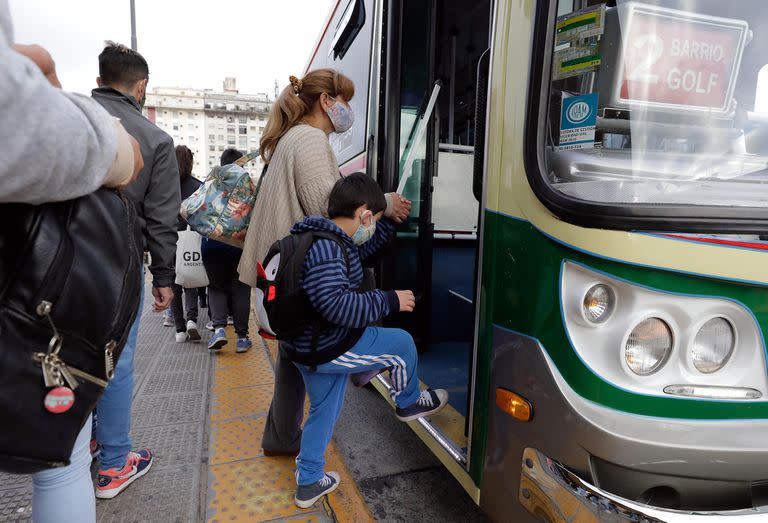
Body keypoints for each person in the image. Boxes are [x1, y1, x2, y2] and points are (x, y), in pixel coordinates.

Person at [1, 4, 143, 521]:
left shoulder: (78, 101)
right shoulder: (143, 135)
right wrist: (114, 150)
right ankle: (114, 459)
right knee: (60, 460)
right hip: (78, 286)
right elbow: (19, 126)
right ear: (141, 86)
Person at [238, 69, 411, 456]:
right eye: (344, 100)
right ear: (326, 102)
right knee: (307, 352)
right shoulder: (311, 141)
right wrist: (384, 204)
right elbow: (334, 216)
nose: (347, 109)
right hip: (293, 278)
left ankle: (281, 438)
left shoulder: (292, 138)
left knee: (292, 358)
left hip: (279, 273)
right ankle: (362, 364)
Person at [288, 173, 448, 508]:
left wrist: (388, 220)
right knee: (401, 344)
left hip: (307, 345)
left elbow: (364, 250)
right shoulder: (328, 248)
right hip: (328, 344)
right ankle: (408, 402)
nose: (372, 225)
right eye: (374, 218)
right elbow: (336, 305)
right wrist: (390, 300)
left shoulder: (325, 238)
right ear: (363, 214)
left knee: (323, 410)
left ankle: (309, 482)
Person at [91, 41, 181, 499]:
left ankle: (84, 437)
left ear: (101, 76)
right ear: (141, 86)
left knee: (69, 351)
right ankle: (113, 463)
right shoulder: (154, 139)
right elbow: (163, 218)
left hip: (57, 264)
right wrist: (163, 278)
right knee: (116, 361)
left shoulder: (73, 117)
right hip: (120, 263)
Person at [204, 148, 253, 353]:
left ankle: (219, 330)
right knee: (240, 289)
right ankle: (242, 338)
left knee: (216, 287)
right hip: (238, 246)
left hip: (211, 244)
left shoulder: (211, 181)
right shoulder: (248, 185)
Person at [171, 145, 203, 343]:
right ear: (190, 163)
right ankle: (192, 319)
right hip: (191, 239)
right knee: (189, 279)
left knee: (174, 284)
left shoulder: (164, 184)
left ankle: (180, 330)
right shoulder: (198, 186)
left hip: (169, 239)